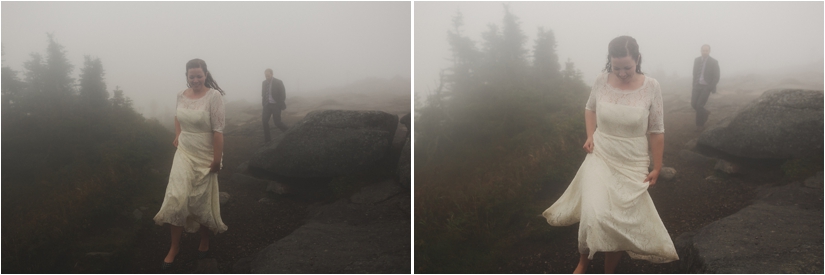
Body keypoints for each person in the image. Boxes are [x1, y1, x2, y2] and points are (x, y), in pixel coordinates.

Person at [542, 36, 678, 273]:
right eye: (617, 68)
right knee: (593, 212)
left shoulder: (652, 87)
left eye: (628, 67)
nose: (622, 73)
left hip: (633, 159)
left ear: (637, 59)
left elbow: (656, 130)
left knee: (617, 221)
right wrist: (590, 135)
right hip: (601, 154)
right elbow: (590, 107)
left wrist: (657, 167)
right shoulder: (601, 81)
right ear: (610, 62)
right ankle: (583, 262)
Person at [153, 58, 228, 270]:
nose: (195, 79)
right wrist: (178, 135)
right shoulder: (181, 95)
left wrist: (216, 160)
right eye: (191, 76)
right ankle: (174, 247)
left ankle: (204, 239)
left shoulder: (214, 97)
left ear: (205, 75)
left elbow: (218, 131)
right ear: (186, 76)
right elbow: (178, 117)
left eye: (199, 75)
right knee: (176, 196)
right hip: (184, 152)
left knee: (200, 199)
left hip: (205, 153)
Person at [691, 44, 720, 131]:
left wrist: (710, 87)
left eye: (706, 50)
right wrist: (694, 84)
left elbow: (716, 76)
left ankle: (700, 125)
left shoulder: (714, 62)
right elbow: (694, 73)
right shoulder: (696, 60)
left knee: (699, 105)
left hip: (706, 87)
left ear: (709, 51)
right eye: (703, 50)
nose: (705, 52)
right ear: (701, 51)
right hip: (697, 85)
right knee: (693, 104)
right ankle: (705, 112)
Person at [262, 68, 288, 143]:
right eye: (265, 75)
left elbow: (283, 94)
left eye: (268, 75)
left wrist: (279, 104)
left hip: (276, 105)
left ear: (272, 74)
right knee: (264, 122)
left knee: (277, 122)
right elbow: (263, 94)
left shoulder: (278, 82)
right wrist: (264, 103)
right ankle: (267, 140)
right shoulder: (263, 83)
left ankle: (288, 132)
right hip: (267, 105)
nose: (266, 76)